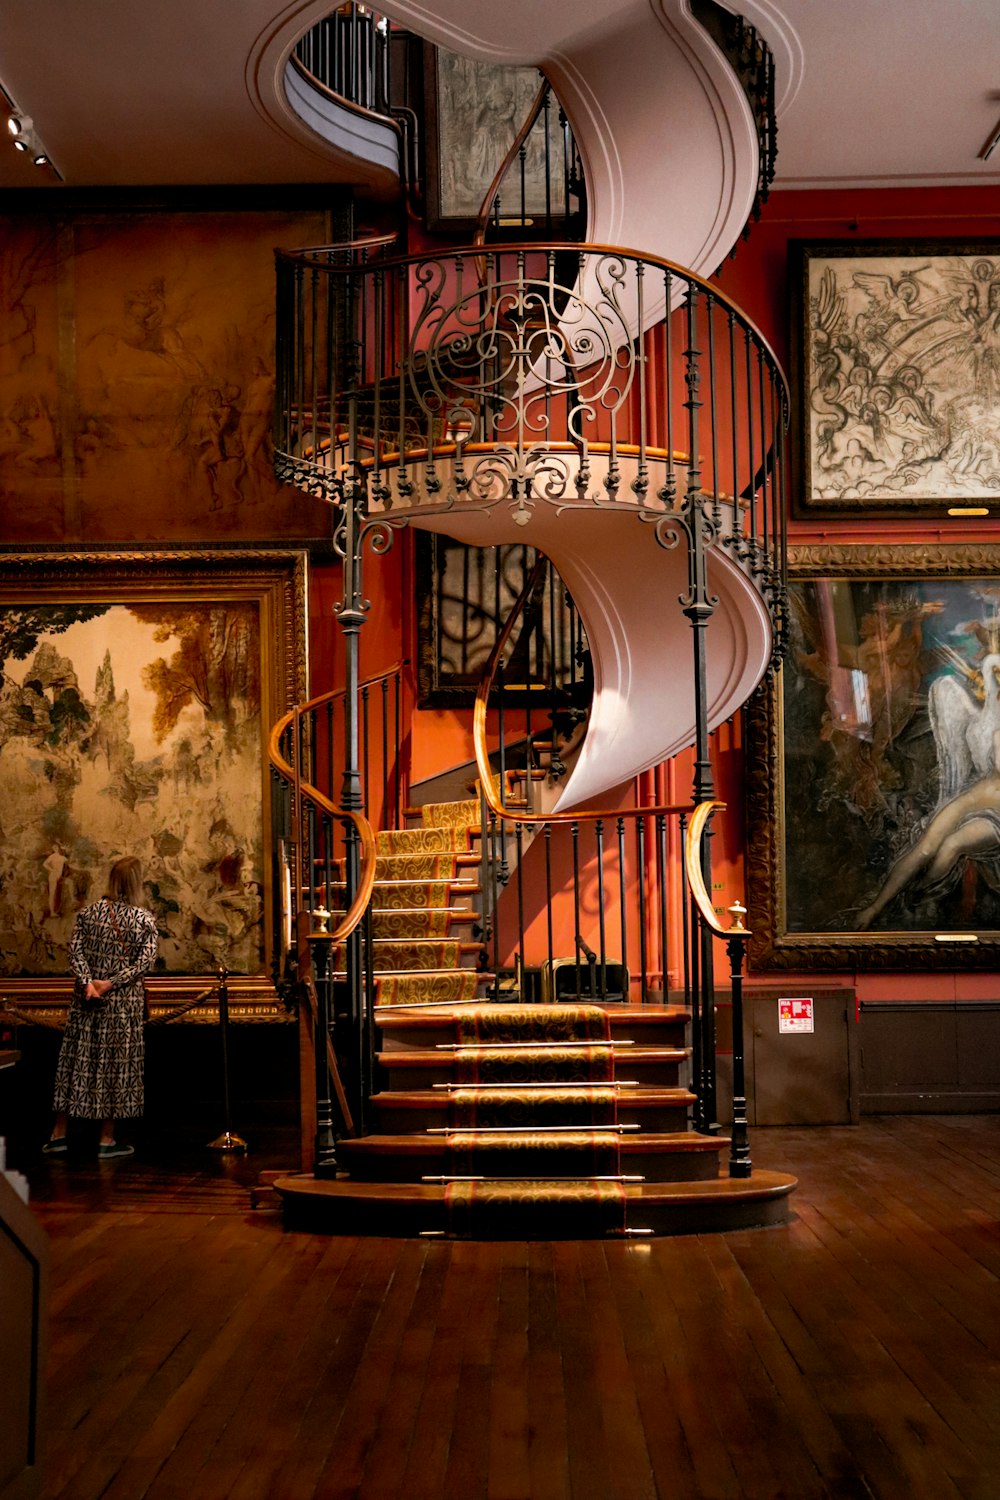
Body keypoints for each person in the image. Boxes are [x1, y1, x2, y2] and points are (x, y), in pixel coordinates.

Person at [42, 856, 158, 1159]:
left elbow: (75, 952)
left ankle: (58, 1135)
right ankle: (106, 1139)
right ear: (136, 882)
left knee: (75, 1064)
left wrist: (88, 983)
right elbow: (144, 963)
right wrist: (111, 983)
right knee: (116, 1068)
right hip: (122, 1006)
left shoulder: (88, 914)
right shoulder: (143, 919)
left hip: (87, 1001)